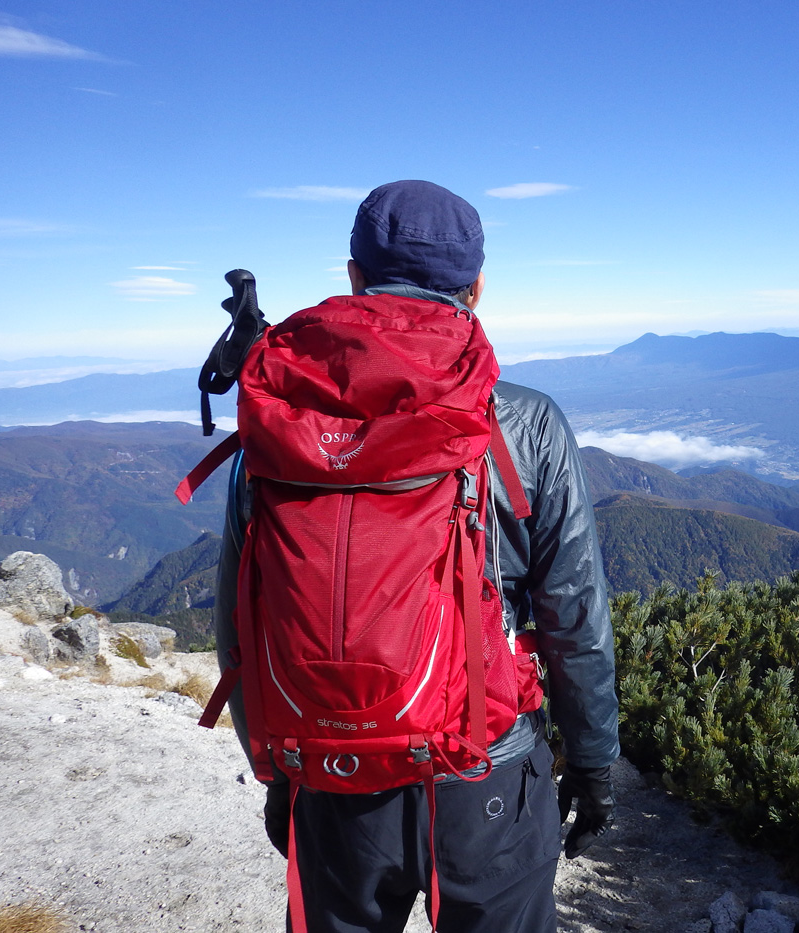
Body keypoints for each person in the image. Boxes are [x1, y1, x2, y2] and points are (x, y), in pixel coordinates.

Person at [211, 180, 620, 933]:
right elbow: (575, 616)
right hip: (486, 772)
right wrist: (594, 764)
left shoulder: (279, 421)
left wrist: (279, 766)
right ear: (477, 288)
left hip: (331, 769)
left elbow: (240, 622)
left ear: (355, 276)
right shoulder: (525, 422)